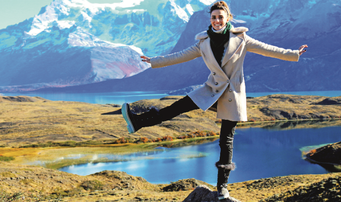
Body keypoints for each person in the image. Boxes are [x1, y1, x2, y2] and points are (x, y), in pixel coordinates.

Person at [122, 1, 307, 200]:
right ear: (210, 20)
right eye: (214, 17)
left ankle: (222, 188)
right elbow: (181, 56)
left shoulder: (242, 39)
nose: (217, 21)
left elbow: (267, 49)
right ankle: (138, 122)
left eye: (220, 17)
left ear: (228, 18)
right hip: (212, 89)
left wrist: (294, 54)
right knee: (177, 107)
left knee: (225, 140)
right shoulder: (203, 42)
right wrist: (154, 61)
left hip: (232, 94)